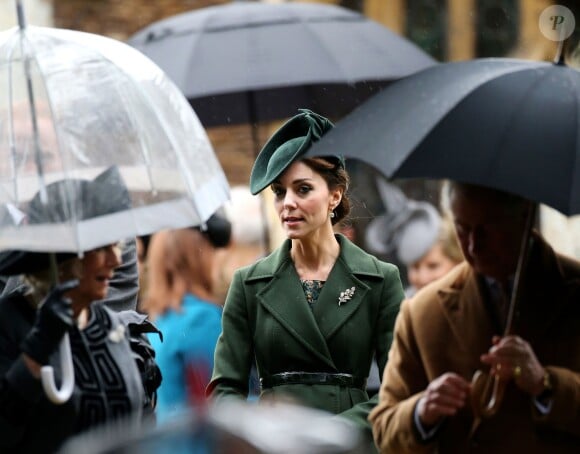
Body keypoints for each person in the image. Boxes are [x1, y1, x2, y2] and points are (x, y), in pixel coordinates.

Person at [207, 109, 405, 442]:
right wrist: (257, 431)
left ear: (335, 196)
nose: (288, 204)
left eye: (302, 189)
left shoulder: (380, 279)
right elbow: (225, 389)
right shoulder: (248, 283)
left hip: (349, 446)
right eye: (280, 192)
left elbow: (398, 388)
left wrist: (332, 433)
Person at [369, 182, 580, 453]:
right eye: (462, 228)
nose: (473, 245)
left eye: (487, 229)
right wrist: (422, 412)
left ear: (524, 217)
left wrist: (545, 384)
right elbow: (385, 430)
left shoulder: (572, 291)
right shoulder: (423, 311)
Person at [0, 168, 161, 453]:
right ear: (62, 253)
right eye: (101, 247)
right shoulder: (11, 321)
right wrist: (37, 350)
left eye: (116, 245)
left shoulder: (112, 327)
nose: (115, 260)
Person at [143, 214, 231, 422]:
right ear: (196, 257)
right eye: (210, 249)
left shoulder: (160, 319)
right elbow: (222, 398)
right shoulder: (201, 318)